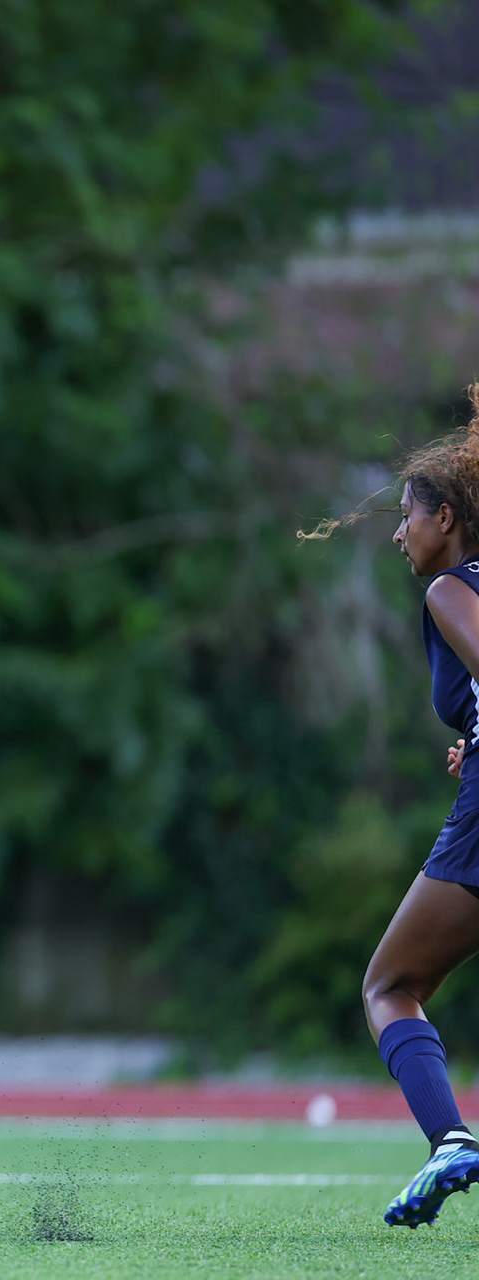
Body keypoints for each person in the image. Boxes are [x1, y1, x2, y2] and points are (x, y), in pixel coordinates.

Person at [311, 387, 479, 1227]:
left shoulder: (450, 589)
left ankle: (450, 1139)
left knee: (391, 983)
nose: (396, 532)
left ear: (445, 517)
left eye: (406, 516)